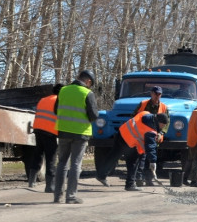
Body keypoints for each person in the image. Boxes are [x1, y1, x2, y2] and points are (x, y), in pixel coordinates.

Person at [53, 70, 98, 204]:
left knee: (61, 163)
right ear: (88, 81)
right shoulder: (87, 93)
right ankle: (71, 196)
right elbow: (94, 115)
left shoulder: (63, 90)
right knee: (75, 164)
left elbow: (56, 110)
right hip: (80, 133)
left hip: (63, 131)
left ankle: (57, 196)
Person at [95, 112, 169, 191]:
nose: (162, 127)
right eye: (163, 125)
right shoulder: (150, 131)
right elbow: (150, 147)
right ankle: (130, 185)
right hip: (129, 142)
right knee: (133, 162)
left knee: (113, 155)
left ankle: (101, 175)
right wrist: (153, 161)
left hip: (121, 133)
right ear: (159, 122)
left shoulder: (145, 113)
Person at [29, 83, 64, 192]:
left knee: (38, 154)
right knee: (51, 158)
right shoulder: (59, 101)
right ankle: (50, 186)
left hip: (38, 129)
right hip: (50, 131)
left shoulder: (43, 100)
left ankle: (31, 181)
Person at [132, 86, 170, 187]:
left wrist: (161, 133)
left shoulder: (164, 107)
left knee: (150, 157)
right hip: (141, 135)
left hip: (154, 136)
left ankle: (149, 180)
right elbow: (134, 117)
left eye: (159, 94)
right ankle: (139, 178)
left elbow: (167, 122)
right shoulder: (143, 104)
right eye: (156, 94)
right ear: (151, 94)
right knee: (140, 157)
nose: (157, 96)